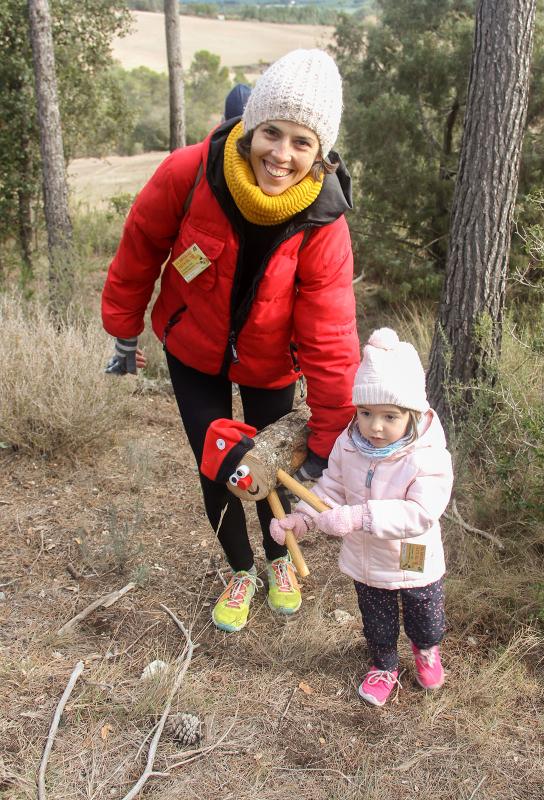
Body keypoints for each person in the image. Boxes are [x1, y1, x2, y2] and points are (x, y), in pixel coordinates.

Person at [102, 49, 359, 633]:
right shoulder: (190, 171)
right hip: (193, 351)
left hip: (271, 365)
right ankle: (240, 569)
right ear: (249, 126)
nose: (282, 155)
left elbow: (330, 331)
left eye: (302, 142)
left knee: (272, 467)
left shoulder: (324, 219)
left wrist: (326, 432)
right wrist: (123, 329)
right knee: (217, 466)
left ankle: (278, 561)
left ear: (321, 152)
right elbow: (140, 247)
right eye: (272, 133)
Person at [270, 328, 453, 706]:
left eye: (390, 416)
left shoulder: (427, 454)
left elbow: (421, 512)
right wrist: (301, 520)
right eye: (366, 413)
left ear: (413, 413)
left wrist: (358, 517)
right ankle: (384, 665)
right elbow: (329, 489)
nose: (375, 426)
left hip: (412, 556)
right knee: (377, 620)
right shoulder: (348, 445)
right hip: (367, 561)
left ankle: (426, 650)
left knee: (425, 614)